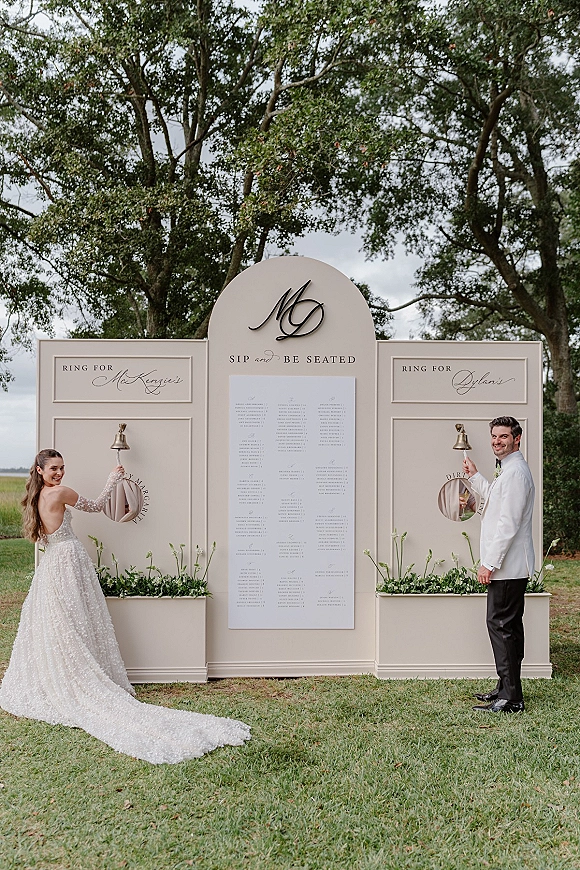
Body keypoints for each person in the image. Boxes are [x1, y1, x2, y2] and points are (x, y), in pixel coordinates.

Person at [0, 449, 250, 762]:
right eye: (53, 469)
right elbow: (96, 506)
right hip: (68, 559)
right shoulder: (59, 493)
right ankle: (80, 679)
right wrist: (112, 480)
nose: (60, 473)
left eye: (62, 468)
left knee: (63, 621)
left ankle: (66, 673)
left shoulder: (36, 497)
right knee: (73, 620)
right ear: (39, 470)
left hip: (52, 564)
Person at [462, 417, 535, 713]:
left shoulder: (515, 473)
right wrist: (476, 476)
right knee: (509, 626)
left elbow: (508, 523)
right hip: (510, 566)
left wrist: (489, 564)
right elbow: (497, 502)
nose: (496, 441)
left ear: (517, 438)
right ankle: (506, 687)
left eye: (503, 436)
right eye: (494, 436)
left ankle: (512, 698)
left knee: (501, 625)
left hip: (507, 566)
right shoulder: (509, 470)